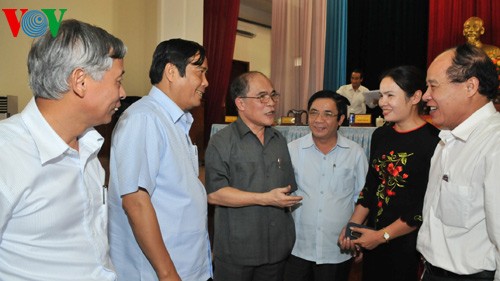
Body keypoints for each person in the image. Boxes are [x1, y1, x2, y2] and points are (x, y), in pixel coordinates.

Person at [0, 19, 126, 281]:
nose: (123, 93)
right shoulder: (6, 155)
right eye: (117, 81)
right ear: (80, 82)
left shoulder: (90, 149)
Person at [107, 39, 212, 281]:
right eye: (201, 72)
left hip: (185, 266)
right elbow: (135, 201)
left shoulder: (177, 121)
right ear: (172, 72)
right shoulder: (144, 119)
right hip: (159, 273)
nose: (206, 82)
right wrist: (167, 273)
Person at [338, 65, 440, 281]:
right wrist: (353, 226)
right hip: (374, 240)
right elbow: (371, 186)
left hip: (408, 244)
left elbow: (421, 207)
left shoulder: (434, 141)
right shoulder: (381, 135)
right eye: (381, 95)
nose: (382, 102)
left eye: (390, 95)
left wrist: (382, 236)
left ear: (415, 97)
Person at [205, 71, 303, 281]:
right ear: (240, 103)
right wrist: (265, 198)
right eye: (262, 97)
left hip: (277, 251)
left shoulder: (279, 140)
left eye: (273, 95)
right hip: (237, 253)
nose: (271, 103)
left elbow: (287, 189)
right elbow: (214, 194)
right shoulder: (221, 142)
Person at [417, 44, 500, 281]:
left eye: (433, 85)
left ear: (470, 87)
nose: (425, 95)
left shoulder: (495, 144)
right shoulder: (446, 140)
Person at [284, 90, 368, 281]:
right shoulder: (292, 150)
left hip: (337, 250)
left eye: (328, 114)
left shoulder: (355, 153)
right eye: (313, 112)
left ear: (340, 120)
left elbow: (362, 198)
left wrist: (357, 237)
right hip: (297, 248)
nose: (318, 119)